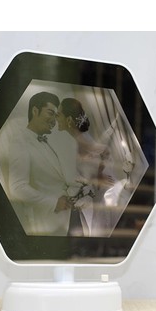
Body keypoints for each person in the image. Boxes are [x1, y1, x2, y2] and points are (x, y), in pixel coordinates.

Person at [8, 91, 71, 236]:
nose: (54, 121)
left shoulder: (46, 141)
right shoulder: (20, 142)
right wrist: (54, 203)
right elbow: (17, 187)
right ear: (35, 111)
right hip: (46, 224)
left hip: (64, 221)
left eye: (56, 116)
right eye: (50, 113)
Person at [56, 98, 116, 237]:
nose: (56, 118)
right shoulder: (73, 139)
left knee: (97, 229)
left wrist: (98, 175)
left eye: (59, 114)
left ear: (69, 119)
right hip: (89, 194)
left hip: (99, 192)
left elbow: (105, 151)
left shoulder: (80, 138)